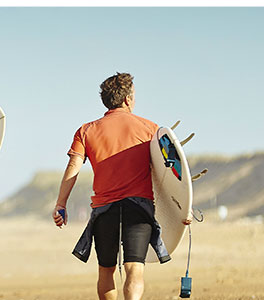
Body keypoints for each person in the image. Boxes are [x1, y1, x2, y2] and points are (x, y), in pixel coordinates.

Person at [51, 73, 186, 300]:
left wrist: (61, 204)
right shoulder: (150, 129)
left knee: (106, 270)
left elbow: (74, 165)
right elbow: (171, 172)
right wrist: (184, 207)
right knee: (135, 268)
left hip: (105, 210)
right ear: (127, 99)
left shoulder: (86, 130)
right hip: (139, 208)